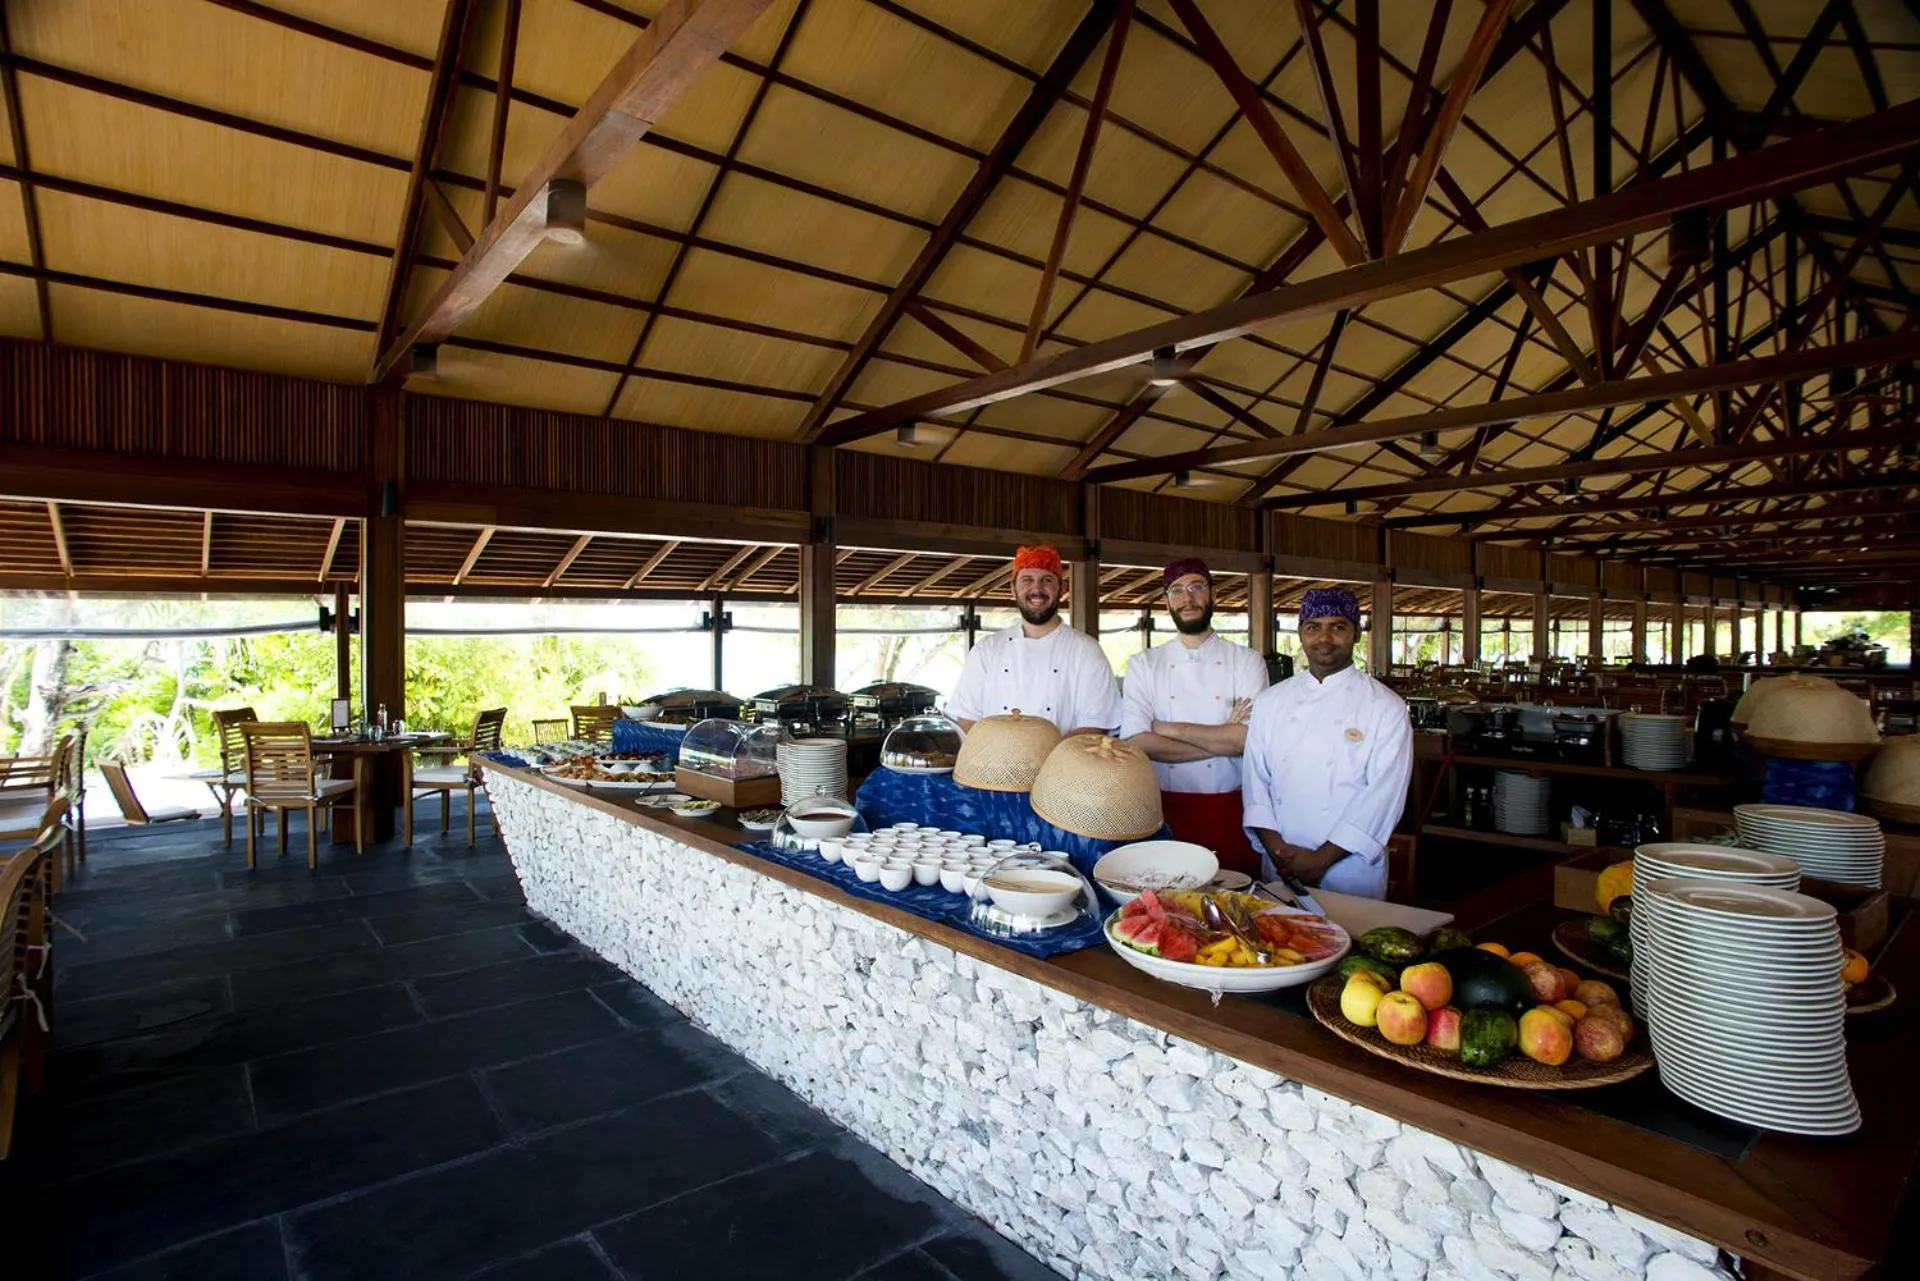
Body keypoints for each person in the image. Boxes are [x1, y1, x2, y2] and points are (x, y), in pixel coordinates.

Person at [1242, 587, 1413, 899]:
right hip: (1282, 864)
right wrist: (1279, 852)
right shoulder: (1270, 702)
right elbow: (1256, 783)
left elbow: (1384, 796)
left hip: (1350, 869)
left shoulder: (1386, 706)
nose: (1324, 638)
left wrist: (1320, 861)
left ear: (1356, 633)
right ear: (1300, 634)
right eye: (1313, 627)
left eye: (1338, 626)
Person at [1120, 558, 1268, 876]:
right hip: (1160, 809)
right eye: (1176, 590)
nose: (1187, 598)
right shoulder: (1144, 664)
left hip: (1229, 808)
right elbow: (1137, 742)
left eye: (1196, 587)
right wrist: (1222, 736)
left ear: (1212, 594)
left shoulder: (1246, 661)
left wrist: (1167, 728)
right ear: (1167, 600)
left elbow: (1246, 739)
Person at [946, 545, 1121, 737]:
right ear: (1013, 590)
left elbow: (1095, 725)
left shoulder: (1086, 650)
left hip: (1062, 764)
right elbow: (967, 718)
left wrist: (1039, 755)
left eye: (1047, 580)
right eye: (1027, 580)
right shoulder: (986, 650)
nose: (1037, 589)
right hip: (994, 763)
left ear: (1062, 589)